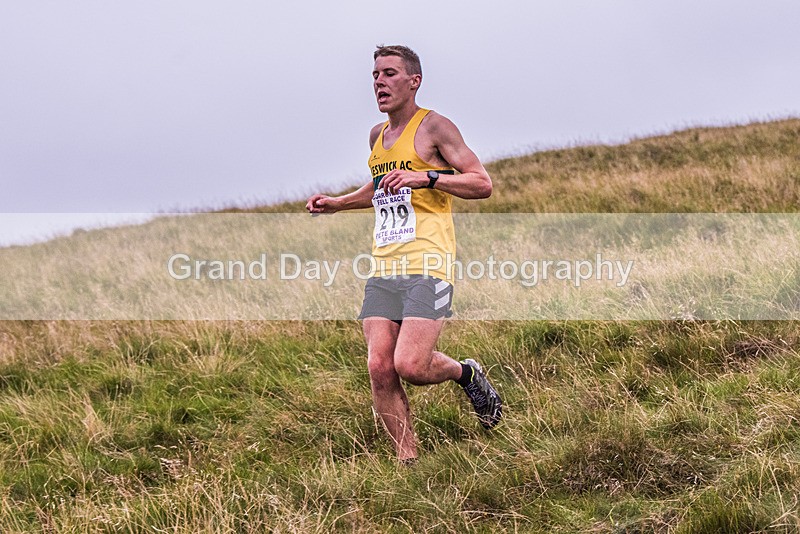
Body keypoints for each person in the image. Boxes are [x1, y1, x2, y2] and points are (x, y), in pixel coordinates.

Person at [306, 45, 502, 462]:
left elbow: (481, 183)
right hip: (384, 266)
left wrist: (427, 177)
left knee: (411, 365)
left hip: (429, 263)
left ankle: (467, 373)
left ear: (414, 81)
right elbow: (381, 186)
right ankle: (407, 462)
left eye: (389, 73)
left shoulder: (434, 127)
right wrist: (338, 203)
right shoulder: (377, 136)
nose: (379, 82)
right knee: (380, 367)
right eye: (375, 75)